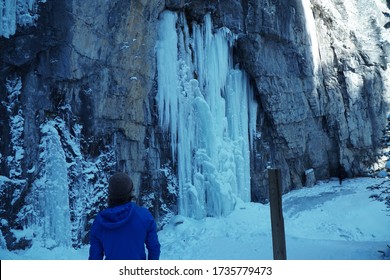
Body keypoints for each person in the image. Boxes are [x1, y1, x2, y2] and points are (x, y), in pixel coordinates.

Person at [89, 172, 161, 260]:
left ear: (110, 193)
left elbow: (95, 257)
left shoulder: (99, 221)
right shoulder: (144, 216)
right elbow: (154, 248)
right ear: (130, 192)